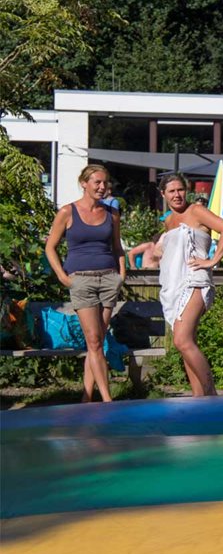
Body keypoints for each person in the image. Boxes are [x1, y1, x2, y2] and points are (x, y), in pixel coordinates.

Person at [42, 164, 125, 402]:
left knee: (97, 341)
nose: (102, 187)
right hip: (81, 280)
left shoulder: (111, 213)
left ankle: (87, 398)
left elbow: (118, 247)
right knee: (94, 340)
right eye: (97, 182)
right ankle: (108, 400)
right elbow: (50, 247)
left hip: (109, 279)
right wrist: (62, 276)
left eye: (105, 182)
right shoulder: (68, 212)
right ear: (84, 183)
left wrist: (121, 275)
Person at [156, 173, 223, 397]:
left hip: (195, 281)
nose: (177, 195)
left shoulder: (196, 211)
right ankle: (199, 399)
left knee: (182, 340)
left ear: (186, 190)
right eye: (171, 191)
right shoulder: (168, 220)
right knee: (186, 343)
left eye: (180, 190)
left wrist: (213, 260)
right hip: (174, 284)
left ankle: (211, 394)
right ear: (163, 194)